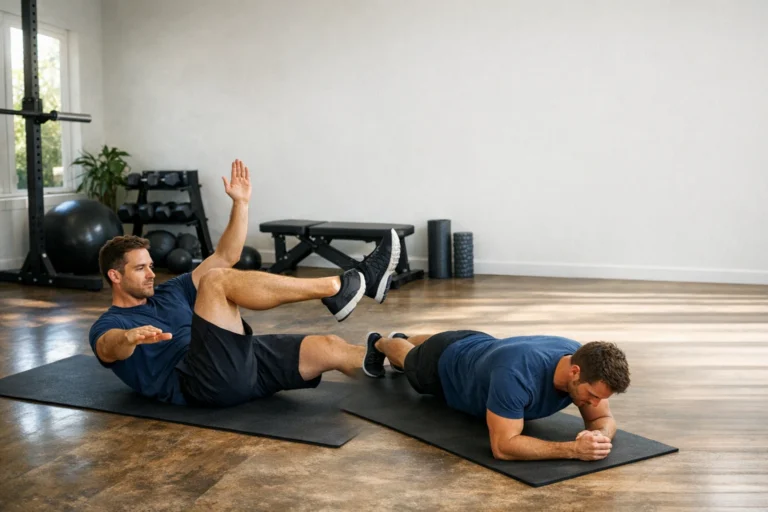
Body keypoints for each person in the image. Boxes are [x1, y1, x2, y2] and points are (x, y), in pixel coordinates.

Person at [89, 159, 401, 407]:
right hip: (201, 383)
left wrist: (241, 203)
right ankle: (338, 287)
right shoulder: (111, 323)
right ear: (115, 276)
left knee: (329, 347)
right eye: (141, 269)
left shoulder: (171, 291)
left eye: (151, 266)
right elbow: (109, 347)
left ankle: (415, 366)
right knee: (215, 282)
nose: (152, 274)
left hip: (240, 361)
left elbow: (226, 255)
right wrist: (128, 338)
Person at [363, 330, 630, 462]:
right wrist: (572, 449)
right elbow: (503, 447)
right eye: (593, 396)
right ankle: (381, 341)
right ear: (574, 371)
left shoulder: (586, 364)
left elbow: (603, 418)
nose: (595, 403)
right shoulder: (516, 375)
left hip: (482, 346)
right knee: (406, 358)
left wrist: (599, 438)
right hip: (443, 367)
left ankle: (411, 337)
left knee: (434, 342)